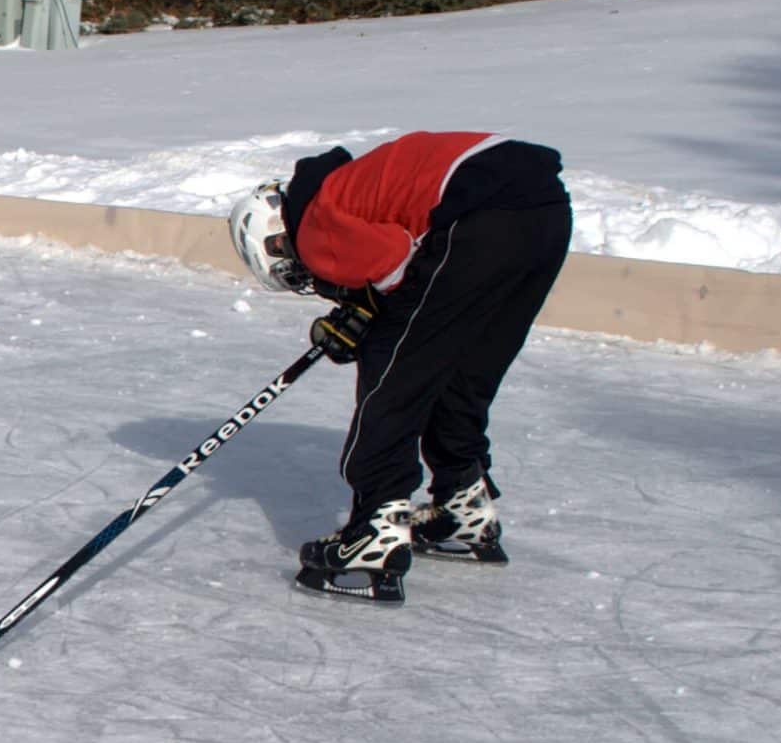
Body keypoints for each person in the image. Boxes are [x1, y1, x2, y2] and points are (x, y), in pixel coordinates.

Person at [227, 132, 572, 604]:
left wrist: (364, 322)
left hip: (477, 214)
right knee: (462, 370)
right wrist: (360, 311)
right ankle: (461, 507)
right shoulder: (341, 190)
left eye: (292, 267)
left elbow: (392, 271)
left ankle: (376, 533)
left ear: (273, 236)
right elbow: (402, 268)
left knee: (393, 373)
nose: (306, 272)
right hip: (542, 212)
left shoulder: (312, 220)